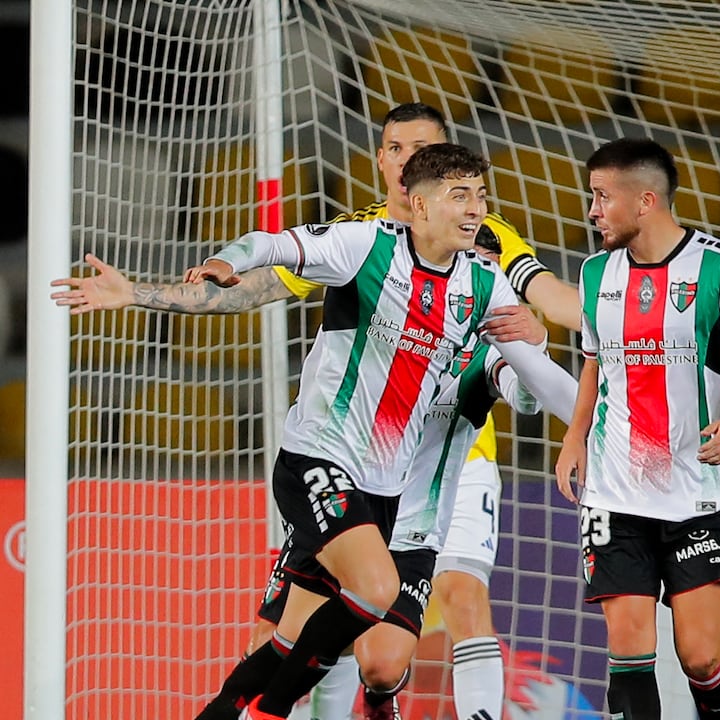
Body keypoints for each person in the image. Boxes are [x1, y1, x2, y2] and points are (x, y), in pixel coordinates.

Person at [51, 103, 582, 720]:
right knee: (344, 605)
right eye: (395, 147)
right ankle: (270, 711)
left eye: (476, 193)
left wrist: (588, 360)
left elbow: (540, 356)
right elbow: (262, 269)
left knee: (366, 643)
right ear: (402, 181)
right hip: (327, 458)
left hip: (432, 477)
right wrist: (154, 289)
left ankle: (250, 710)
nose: (472, 206)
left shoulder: (487, 261)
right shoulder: (358, 242)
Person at [176, 142, 570, 720]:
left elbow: (531, 394)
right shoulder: (381, 279)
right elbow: (280, 248)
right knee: (286, 634)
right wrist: (222, 264)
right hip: (345, 484)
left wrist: (536, 349)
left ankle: (373, 700)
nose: (465, 287)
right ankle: (246, 708)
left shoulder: (485, 350)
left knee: (380, 658)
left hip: (411, 522)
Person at [554, 137, 720, 720]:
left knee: (701, 657)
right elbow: (595, 360)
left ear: (646, 200)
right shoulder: (596, 271)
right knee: (629, 644)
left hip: (698, 490)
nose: (593, 210)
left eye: (603, 197)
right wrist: (575, 437)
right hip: (615, 489)